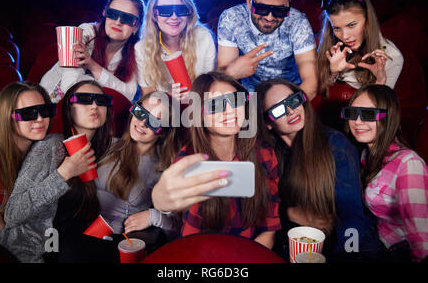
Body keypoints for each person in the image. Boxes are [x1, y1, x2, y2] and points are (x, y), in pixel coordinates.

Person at [256, 78, 387, 262]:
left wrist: (347, 257)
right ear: (268, 123)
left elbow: (352, 218)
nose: (291, 111)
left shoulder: (335, 145)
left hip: (350, 248)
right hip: (299, 247)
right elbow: (266, 214)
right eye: (278, 109)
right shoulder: (268, 155)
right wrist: (290, 213)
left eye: (293, 101)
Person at [0, 80, 112, 263]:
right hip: (36, 252)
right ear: (68, 109)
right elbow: (13, 213)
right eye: (84, 99)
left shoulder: (108, 149)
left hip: (73, 243)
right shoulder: (51, 146)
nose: (94, 105)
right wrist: (64, 174)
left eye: (101, 100)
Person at [174, 71, 280, 249]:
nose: (230, 110)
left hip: (251, 254)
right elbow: (191, 241)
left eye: (236, 100)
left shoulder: (264, 153)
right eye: (215, 105)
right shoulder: (187, 163)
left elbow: (269, 229)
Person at [342, 84, 428, 263]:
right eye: (352, 113)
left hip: (397, 251)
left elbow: (422, 240)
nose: (357, 121)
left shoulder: (408, 163)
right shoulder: (367, 153)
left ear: (387, 118)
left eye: (367, 114)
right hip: (376, 235)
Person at [217, 0, 318, 99]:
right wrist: (232, 72)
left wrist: (282, 110)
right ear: (249, 1)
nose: (270, 18)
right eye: (262, 9)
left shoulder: (298, 22)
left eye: (279, 10)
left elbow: (311, 84)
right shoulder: (232, 18)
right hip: (250, 98)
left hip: (290, 97)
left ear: (288, 3)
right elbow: (222, 76)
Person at [95, 92, 182, 240]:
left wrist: (154, 217)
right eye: (141, 113)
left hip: (121, 240)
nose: (142, 123)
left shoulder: (164, 168)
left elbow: (177, 231)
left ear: (164, 132)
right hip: (82, 227)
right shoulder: (106, 144)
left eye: (154, 122)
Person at [0, 82, 55, 238]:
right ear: (8, 117)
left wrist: (4, 227)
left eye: (44, 110)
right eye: (28, 113)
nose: (40, 119)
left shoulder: (45, 156)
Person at [40, 0, 145, 103]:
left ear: (136, 27)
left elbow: (128, 95)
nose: (118, 22)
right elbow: (70, 87)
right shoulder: (84, 32)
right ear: (105, 14)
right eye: (112, 14)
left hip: (90, 109)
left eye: (127, 18)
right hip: (52, 103)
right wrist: (109, 84)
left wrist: (92, 66)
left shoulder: (136, 52)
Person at [135, 0, 216, 99]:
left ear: (189, 12)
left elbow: (212, 81)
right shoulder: (142, 48)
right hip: (165, 112)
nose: (174, 17)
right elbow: (147, 94)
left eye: (181, 9)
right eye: (165, 10)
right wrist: (168, 96)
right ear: (154, 14)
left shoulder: (203, 37)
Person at [318, 0, 403, 95]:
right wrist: (332, 73)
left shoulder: (392, 56)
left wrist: (380, 82)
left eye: (351, 25)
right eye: (337, 28)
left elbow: (379, 108)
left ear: (368, 20)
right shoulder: (324, 44)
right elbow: (313, 99)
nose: (345, 36)